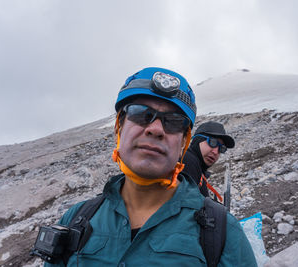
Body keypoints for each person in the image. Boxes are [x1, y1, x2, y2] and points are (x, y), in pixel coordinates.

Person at [45, 67, 257, 266]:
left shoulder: (223, 232)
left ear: (184, 141)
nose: (155, 129)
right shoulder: (75, 219)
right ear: (119, 127)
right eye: (140, 114)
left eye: (174, 121)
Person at [182, 121, 235, 201]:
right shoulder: (187, 162)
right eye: (212, 142)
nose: (216, 152)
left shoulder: (197, 168)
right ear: (197, 140)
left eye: (221, 148)